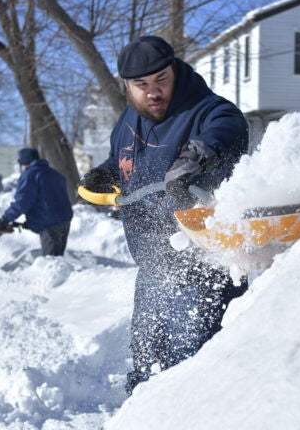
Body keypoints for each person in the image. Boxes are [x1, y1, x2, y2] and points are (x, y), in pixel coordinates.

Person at [81, 35, 249, 395]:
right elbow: (124, 162)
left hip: (203, 275)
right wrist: (106, 174)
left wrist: (199, 155)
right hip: (152, 270)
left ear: (174, 72)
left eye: (161, 81)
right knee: (145, 372)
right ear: (126, 85)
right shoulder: (128, 120)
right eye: (141, 86)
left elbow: (229, 129)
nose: (153, 93)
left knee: (188, 381)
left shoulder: (206, 110)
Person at [0, 147, 73, 256]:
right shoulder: (54, 174)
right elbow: (49, 199)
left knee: (52, 262)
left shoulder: (30, 175)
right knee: (58, 259)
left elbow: (22, 202)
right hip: (64, 221)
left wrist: (4, 220)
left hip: (50, 225)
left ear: (23, 162)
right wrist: (29, 222)